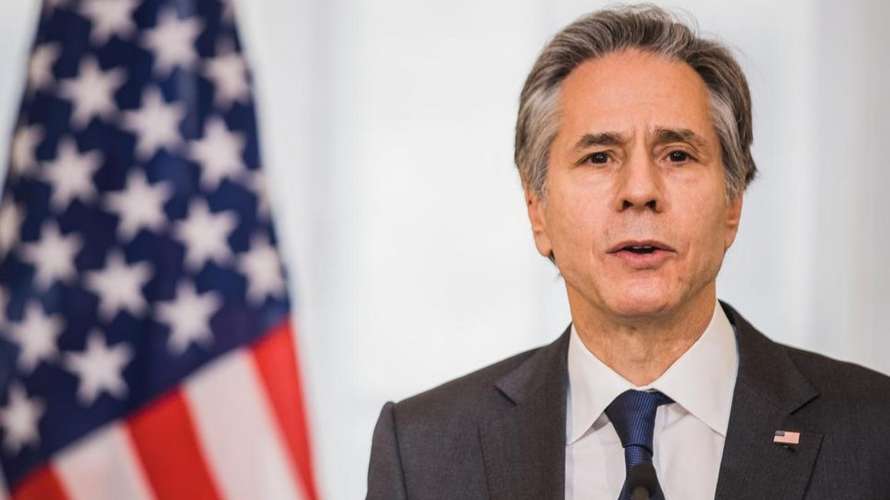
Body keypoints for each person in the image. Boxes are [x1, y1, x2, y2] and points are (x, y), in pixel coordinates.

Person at [366, 5, 890, 500]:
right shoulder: (424, 452)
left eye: (677, 155)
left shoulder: (874, 431)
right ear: (538, 211)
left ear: (733, 203)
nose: (640, 190)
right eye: (599, 157)